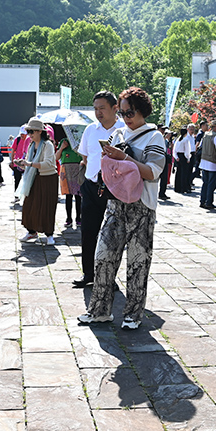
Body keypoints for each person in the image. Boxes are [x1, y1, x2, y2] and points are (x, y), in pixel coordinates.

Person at [77, 87, 165, 330]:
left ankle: (133, 314)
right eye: (123, 112)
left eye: (130, 112)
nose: (126, 117)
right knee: (103, 257)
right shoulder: (117, 134)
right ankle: (99, 310)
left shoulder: (154, 136)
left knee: (138, 263)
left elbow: (152, 172)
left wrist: (125, 158)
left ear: (142, 111)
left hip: (142, 206)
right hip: (115, 204)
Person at [74, 91, 126, 288]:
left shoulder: (123, 130)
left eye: (102, 108)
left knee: (113, 235)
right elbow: (85, 158)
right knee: (88, 231)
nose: (98, 113)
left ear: (115, 108)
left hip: (115, 189)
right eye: (95, 109)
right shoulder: (90, 129)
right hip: (91, 186)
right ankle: (89, 273)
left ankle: (109, 277)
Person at [15, 118, 58, 245]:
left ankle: (49, 234)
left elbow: (49, 164)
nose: (29, 134)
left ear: (40, 131)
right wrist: (22, 164)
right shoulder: (31, 145)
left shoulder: (47, 145)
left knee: (47, 207)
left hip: (48, 179)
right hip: (33, 178)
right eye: (28, 132)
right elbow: (30, 164)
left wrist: (29, 163)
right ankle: (31, 231)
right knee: (29, 206)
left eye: (31, 131)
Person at [56, 134, 85, 228]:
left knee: (78, 195)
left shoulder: (81, 141)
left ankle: (78, 218)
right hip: (66, 169)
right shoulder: (63, 141)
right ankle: (68, 218)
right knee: (68, 195)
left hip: (78, 168)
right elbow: (56, 157)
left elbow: (84, 155)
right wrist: (62, 147)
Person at [198, 119, 216, 209]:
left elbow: (200, 146)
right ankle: (209, 202)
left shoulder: (205, 134)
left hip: (204, 160)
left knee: (205, 183)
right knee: (211, 184)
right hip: (213, 161)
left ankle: (202, 201)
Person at [173, 126, 193, 193]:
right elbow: (187, 150)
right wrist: (188, 157)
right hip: (183, 156)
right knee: (184, 173)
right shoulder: (186, 140)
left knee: (178, 172)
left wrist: (176, 157)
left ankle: (177, 187)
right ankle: (183, 188)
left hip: (178, 156)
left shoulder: (178, 140)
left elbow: (174, 150)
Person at [10, 131, 30, 196]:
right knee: (17, 179)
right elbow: (13, 150)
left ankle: (24, 194)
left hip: (26, 163)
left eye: (23, 134)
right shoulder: (17, 139)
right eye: (21, 134)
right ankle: (16, 195)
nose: (22, 136)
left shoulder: (29, 140)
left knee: (26, 179)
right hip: (17, 163)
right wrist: (12, 161)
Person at [191, 120, 208, 188]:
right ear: (202, 126)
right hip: (200, 153)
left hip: (201, 152)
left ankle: (190, 180)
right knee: (198, 168)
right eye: (206, 125)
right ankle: (190, 179)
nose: (207, 127)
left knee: (198, 168)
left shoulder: (203, 133)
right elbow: (197, 143)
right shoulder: (201, 134)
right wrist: (195, 152)